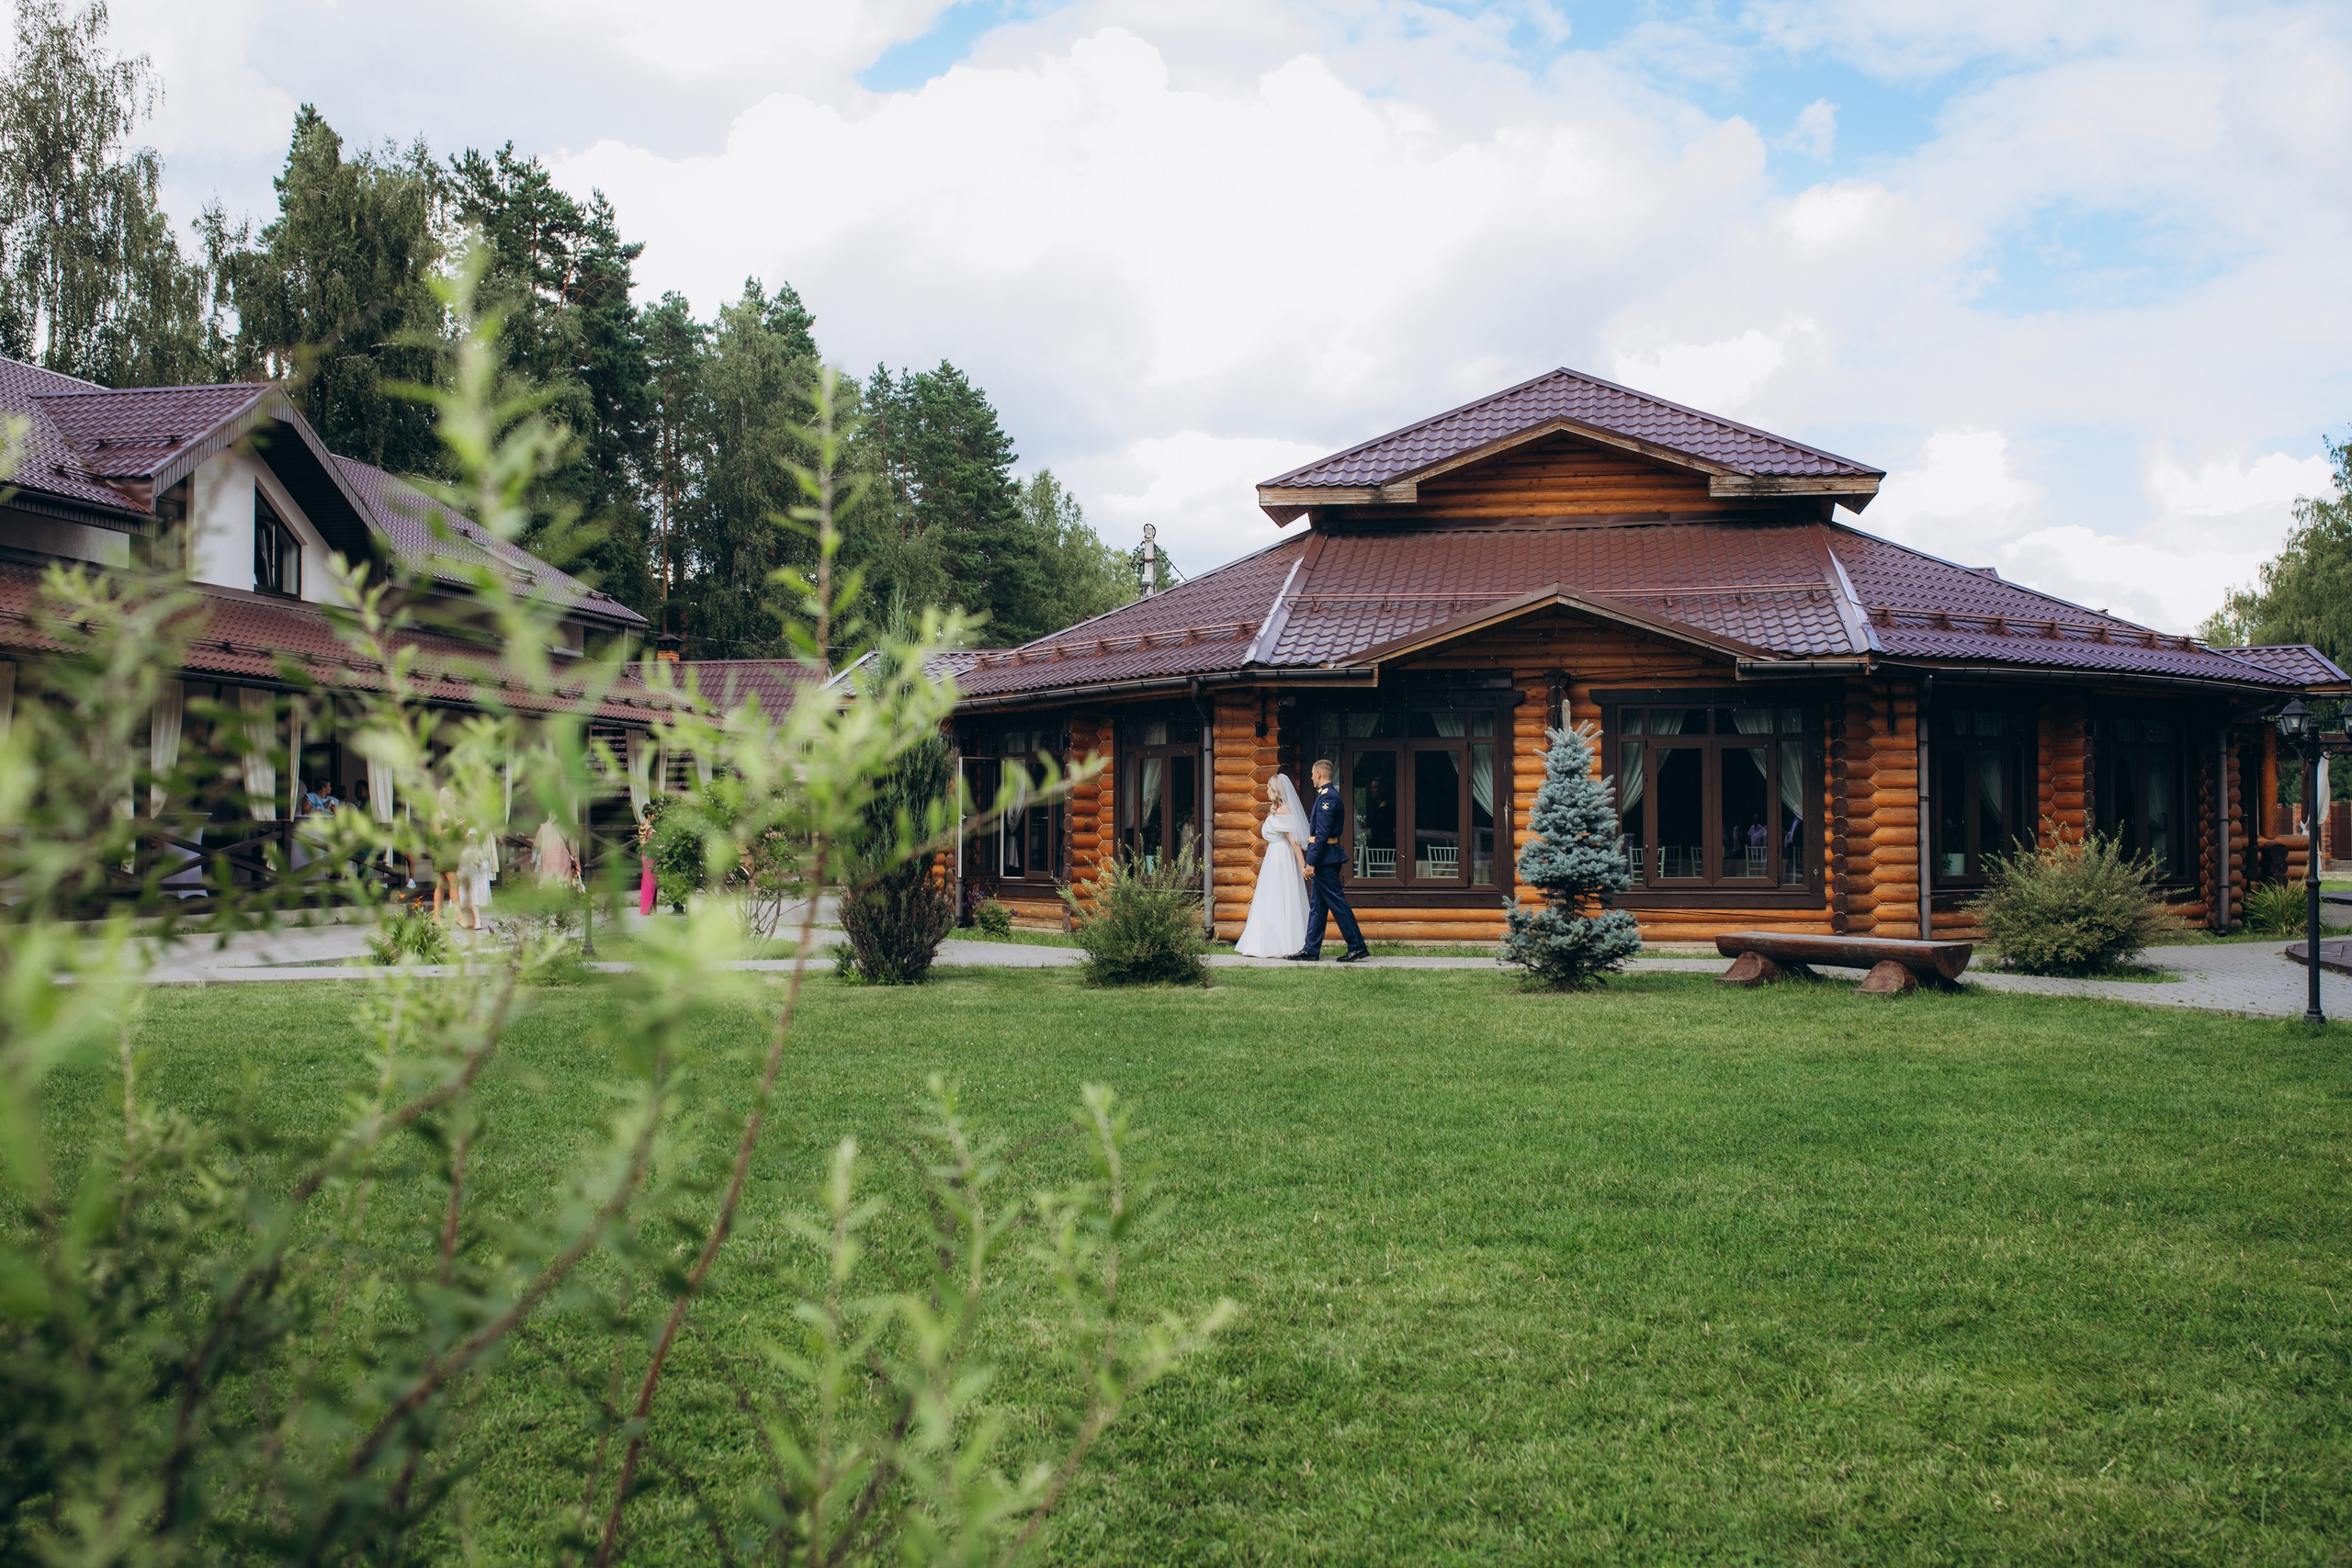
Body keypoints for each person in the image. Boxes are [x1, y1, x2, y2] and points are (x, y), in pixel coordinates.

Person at [1287, 758, 1369, 963]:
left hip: (1325, 859)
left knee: (1337, 903)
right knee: (1318, 906)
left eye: (1312, 774)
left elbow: (1321, 835)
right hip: (1324, 857)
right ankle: (1311, 949)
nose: (1310, 777)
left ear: (1319, 774)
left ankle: (1357, 946)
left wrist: (1311, 861)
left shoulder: (1328, 799)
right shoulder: (1326, 796)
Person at [1234, 773, 1311, 958]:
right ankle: (1266, 942)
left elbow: (1293, 841)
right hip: (1273, 857)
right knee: (1271, 897)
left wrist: (1303, 865)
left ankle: (1285, 944)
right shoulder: (1275, 810)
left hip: (1282, 859)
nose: (1266, 790)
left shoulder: (1284, 810)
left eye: (1269, 787)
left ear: (1275, 790)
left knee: (1282, 896)